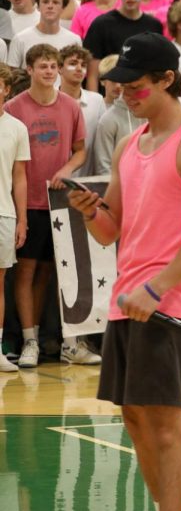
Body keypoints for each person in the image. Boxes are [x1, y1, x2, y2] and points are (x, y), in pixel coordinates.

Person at [66, 33, 181, 511]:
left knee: (165, 425)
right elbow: (115, 230)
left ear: (166, 79)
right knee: (135, 419)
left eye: (136, 85)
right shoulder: (129, 145)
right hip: (127, 299)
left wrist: (158, 289)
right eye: (119, 85)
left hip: (168, 302)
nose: (126, 93)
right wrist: (91, 212)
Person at [7, 43, 86, 368]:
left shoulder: (70, 106)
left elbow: (80, 149)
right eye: (43, 66)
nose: (50, 71)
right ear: (29, 70)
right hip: (26, 202)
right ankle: (28, 341)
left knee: (50, 272)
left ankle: (49, 339)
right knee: (25, 270)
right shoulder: (13, 107)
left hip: (59, 203)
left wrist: (66, 170)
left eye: (54, 66)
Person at [83, 0, 163, 89]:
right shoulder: (101, 24)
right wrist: (95, 103)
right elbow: (92, 74)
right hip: (110, 97)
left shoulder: (154, 26)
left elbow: (157, 70)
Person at [0, 62, 29, 371]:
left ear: (7, 90)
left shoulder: (17, 128)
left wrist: (22, 219)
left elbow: (20, 177)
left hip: (4, 215)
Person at [8, 0, 81, 68]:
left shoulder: (74, 41)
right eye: (45, 2)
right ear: (38, 6)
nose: (50, 6)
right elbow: (11, 78)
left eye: (55, 2)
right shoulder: (20, 39)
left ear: (63, 8)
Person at [58, 45, 106, 175]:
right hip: (55, 178)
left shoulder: (97, 101)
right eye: (73, 63)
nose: (79, 68)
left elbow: (101, 143)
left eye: (83, 65)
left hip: (87, 179)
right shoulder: (49, 101)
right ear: (59, 68)